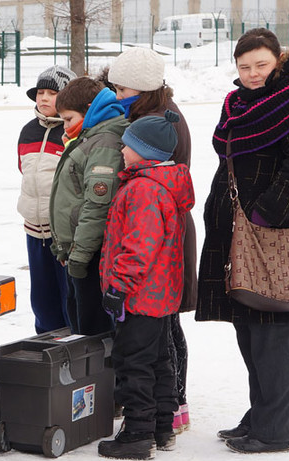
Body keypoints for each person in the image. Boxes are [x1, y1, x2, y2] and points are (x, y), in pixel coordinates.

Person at [195, 28, 289, 454]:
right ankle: (261, 414)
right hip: (235, 231)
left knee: (274, 331)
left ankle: (275, 430)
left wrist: (265, 213)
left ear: (278, 61)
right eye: (243, 67)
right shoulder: (237, 104)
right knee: (249, 329)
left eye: (261, 65)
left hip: (275, 233)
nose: (252, 74)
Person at [107, 46, 197, 433]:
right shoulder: (153, 120)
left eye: (122, 89)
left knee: (148, 350)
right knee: (159, 347)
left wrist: (119, 281)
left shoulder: (156, 132)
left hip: (149, 272)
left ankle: (148, 424)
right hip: (159, 263)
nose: (117, 96)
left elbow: (140, 244)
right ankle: (164, 420)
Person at [97, 110, 194, 460]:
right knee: (157, 359)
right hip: (160, 294)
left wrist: (118, 286)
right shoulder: (162, 185)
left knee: (132, 360)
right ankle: (162, 427)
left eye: (128, 144)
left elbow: (139, 246)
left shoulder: (143, 190)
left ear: (146, 151)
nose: (122, 148)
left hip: (139, 294)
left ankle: (138, 433)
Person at [49, 77, 127, 336]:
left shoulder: (103, 142)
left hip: (91, 254)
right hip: (78, 251)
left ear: (91, 109)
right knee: (79, 325)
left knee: (91, 333)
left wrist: (79, 256)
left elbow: (96, 207)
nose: (66, 126)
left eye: (69, 119)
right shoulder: (89, 137)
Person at [17, 65, 76, 334]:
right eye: (40, 92)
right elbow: (23, 169)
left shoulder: (71, 133)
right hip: (34, 229)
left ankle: (74, 341)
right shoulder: (28, 131)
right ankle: (47, 341)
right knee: (42, 299)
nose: (43, 98)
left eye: (52, 92)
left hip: (61, 233)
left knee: (68, 296)